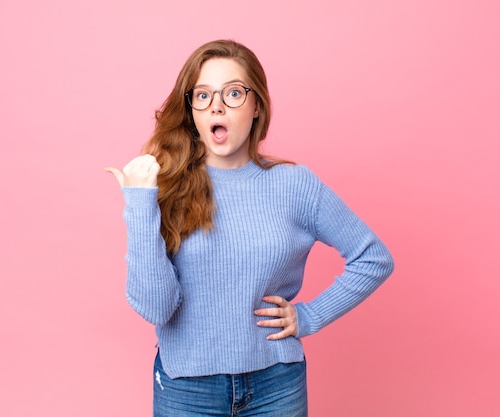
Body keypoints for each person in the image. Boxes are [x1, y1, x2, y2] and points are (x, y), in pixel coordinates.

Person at [105, 39, 394, 417]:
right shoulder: (166, 186)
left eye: (234, 93)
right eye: (203, 95)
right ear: (191, 108)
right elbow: (157, 309)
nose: (217, 106)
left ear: (257, 105)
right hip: (186, 389)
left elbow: (373, 258)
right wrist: (140, 206)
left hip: (276, 384)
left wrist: (308, 316)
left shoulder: (295, 185)